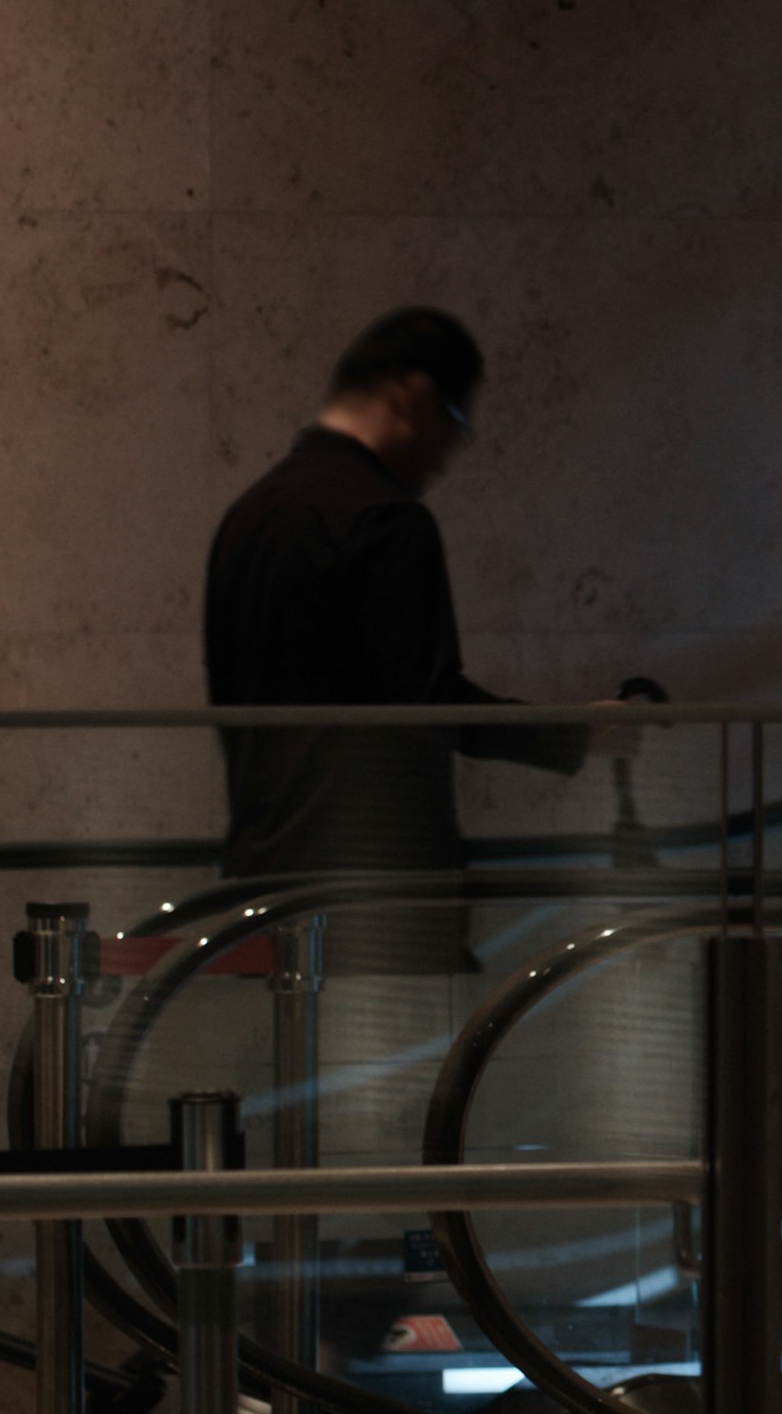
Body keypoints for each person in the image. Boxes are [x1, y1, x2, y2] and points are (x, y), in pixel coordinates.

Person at [203, 306, 606, 954]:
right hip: (376, 899)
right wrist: (579, 735)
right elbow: (432, 705)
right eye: (457, 426)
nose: (446, 458)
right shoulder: (386, 520)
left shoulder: (246, 518)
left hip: (257, 888)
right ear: (415, 397)